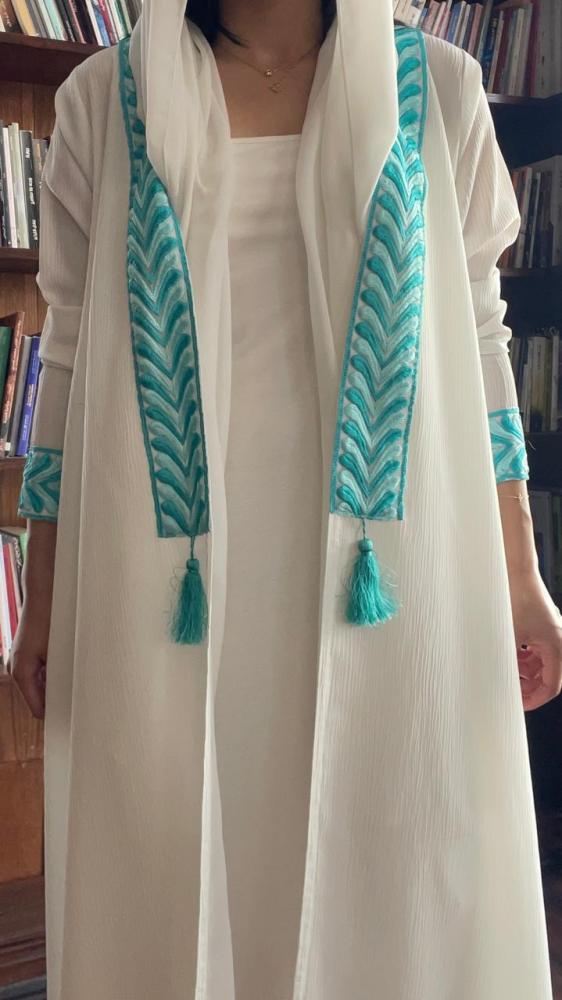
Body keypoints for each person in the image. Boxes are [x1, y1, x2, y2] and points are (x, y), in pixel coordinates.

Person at [9, 0, 561, 997]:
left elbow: (481, 336)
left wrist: (521, 574)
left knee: (395, 856)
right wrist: (42, 593)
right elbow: (70, 352)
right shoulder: (104, 101)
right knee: (181, 859)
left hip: (386, 568)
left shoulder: (438, 91)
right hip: (170, 572)